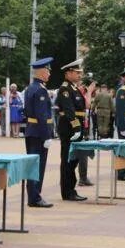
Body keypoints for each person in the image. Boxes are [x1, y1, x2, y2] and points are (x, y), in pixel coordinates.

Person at [23, 57, 55, 208]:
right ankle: (35, 197)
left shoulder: (31, 88)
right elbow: (42, 115)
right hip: (39, 133)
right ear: (42, 72)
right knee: (38, 165)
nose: (49, 73)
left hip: (32, 131)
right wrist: (46, 136)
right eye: (47, 71)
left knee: (33, 165)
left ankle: (33, 196)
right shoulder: (40, 90)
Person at [55, 59, 87, 202]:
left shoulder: (74, 88)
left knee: (73, 159)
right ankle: (67, 191)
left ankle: (71, 189)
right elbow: (69, 111)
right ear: (68, 73)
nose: (79, 75)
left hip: (75, 127)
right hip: (69, 128)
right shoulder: (65, 89)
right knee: (68, 160)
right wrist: (77, 128)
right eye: (77, 72)